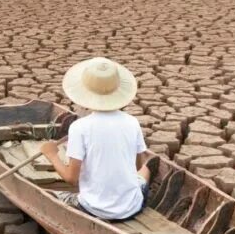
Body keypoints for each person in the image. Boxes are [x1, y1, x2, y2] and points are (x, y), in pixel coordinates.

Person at [39, 56, 152, 221]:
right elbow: (138, 166)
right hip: (132, 207)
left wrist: (51, 155)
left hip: (93, 209)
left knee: (54, 194)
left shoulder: (80, 127)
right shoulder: (132, 122)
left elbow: (71, 179)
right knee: (146, 171)